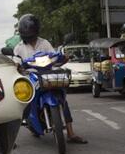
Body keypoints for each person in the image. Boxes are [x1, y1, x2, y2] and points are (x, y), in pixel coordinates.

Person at [14, 14, 87, 144]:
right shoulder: (19, 48)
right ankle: (12, 138)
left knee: (62, 99)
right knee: (20, 104)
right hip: (31, 76)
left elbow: (54, 59)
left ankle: (70, 133)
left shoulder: (44, 43)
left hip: (47, 74)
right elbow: (15, 63)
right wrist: (17, 66)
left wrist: (63, 58)